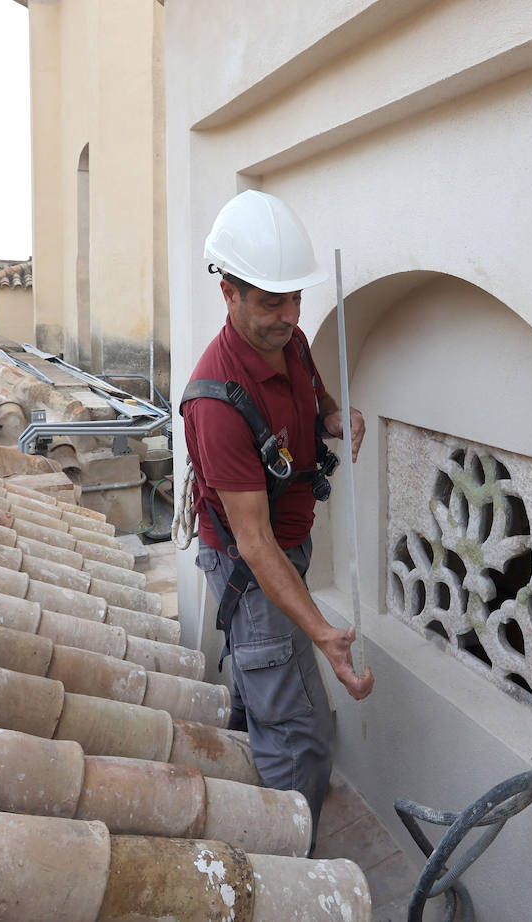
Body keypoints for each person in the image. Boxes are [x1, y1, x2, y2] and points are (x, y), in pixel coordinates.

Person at [181, 190, 374, 847]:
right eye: (270, 302)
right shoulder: (216, 401)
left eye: (295, 300)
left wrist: (334, 418)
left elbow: (315, 403)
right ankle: (288, 877)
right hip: (250, 567)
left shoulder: (289, 345)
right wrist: (323, 632)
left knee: (270, 703)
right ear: (228, 293)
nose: (289, 317)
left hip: (284, 552)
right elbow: (254, 544)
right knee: (301, 743)